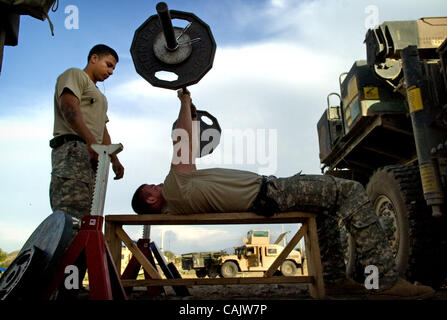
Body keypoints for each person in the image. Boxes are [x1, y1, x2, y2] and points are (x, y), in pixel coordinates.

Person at [132, 89, 435, 299]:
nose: (156, 184)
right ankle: (384, 279)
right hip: (274, 192)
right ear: (149, 198)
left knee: (323, 210)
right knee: (351, 191)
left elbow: (186, 139)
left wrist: (191, 113)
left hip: (269, 195)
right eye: (151, 187)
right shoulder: (174, 189)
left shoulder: (181, 198)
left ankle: (334, 279)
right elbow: (182, 140)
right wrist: (184, 100)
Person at [50, 44, 125, 223]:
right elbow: (69, 107)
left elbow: (102, 128)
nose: (111, 71)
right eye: (109, 64)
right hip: (74, 149)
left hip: (92, 157)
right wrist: (91, 143)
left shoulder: (99, 96)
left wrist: (114, 158)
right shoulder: (76, 75)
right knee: (70, 217)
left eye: (113, 68)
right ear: (94, 58)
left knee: (87, 216)